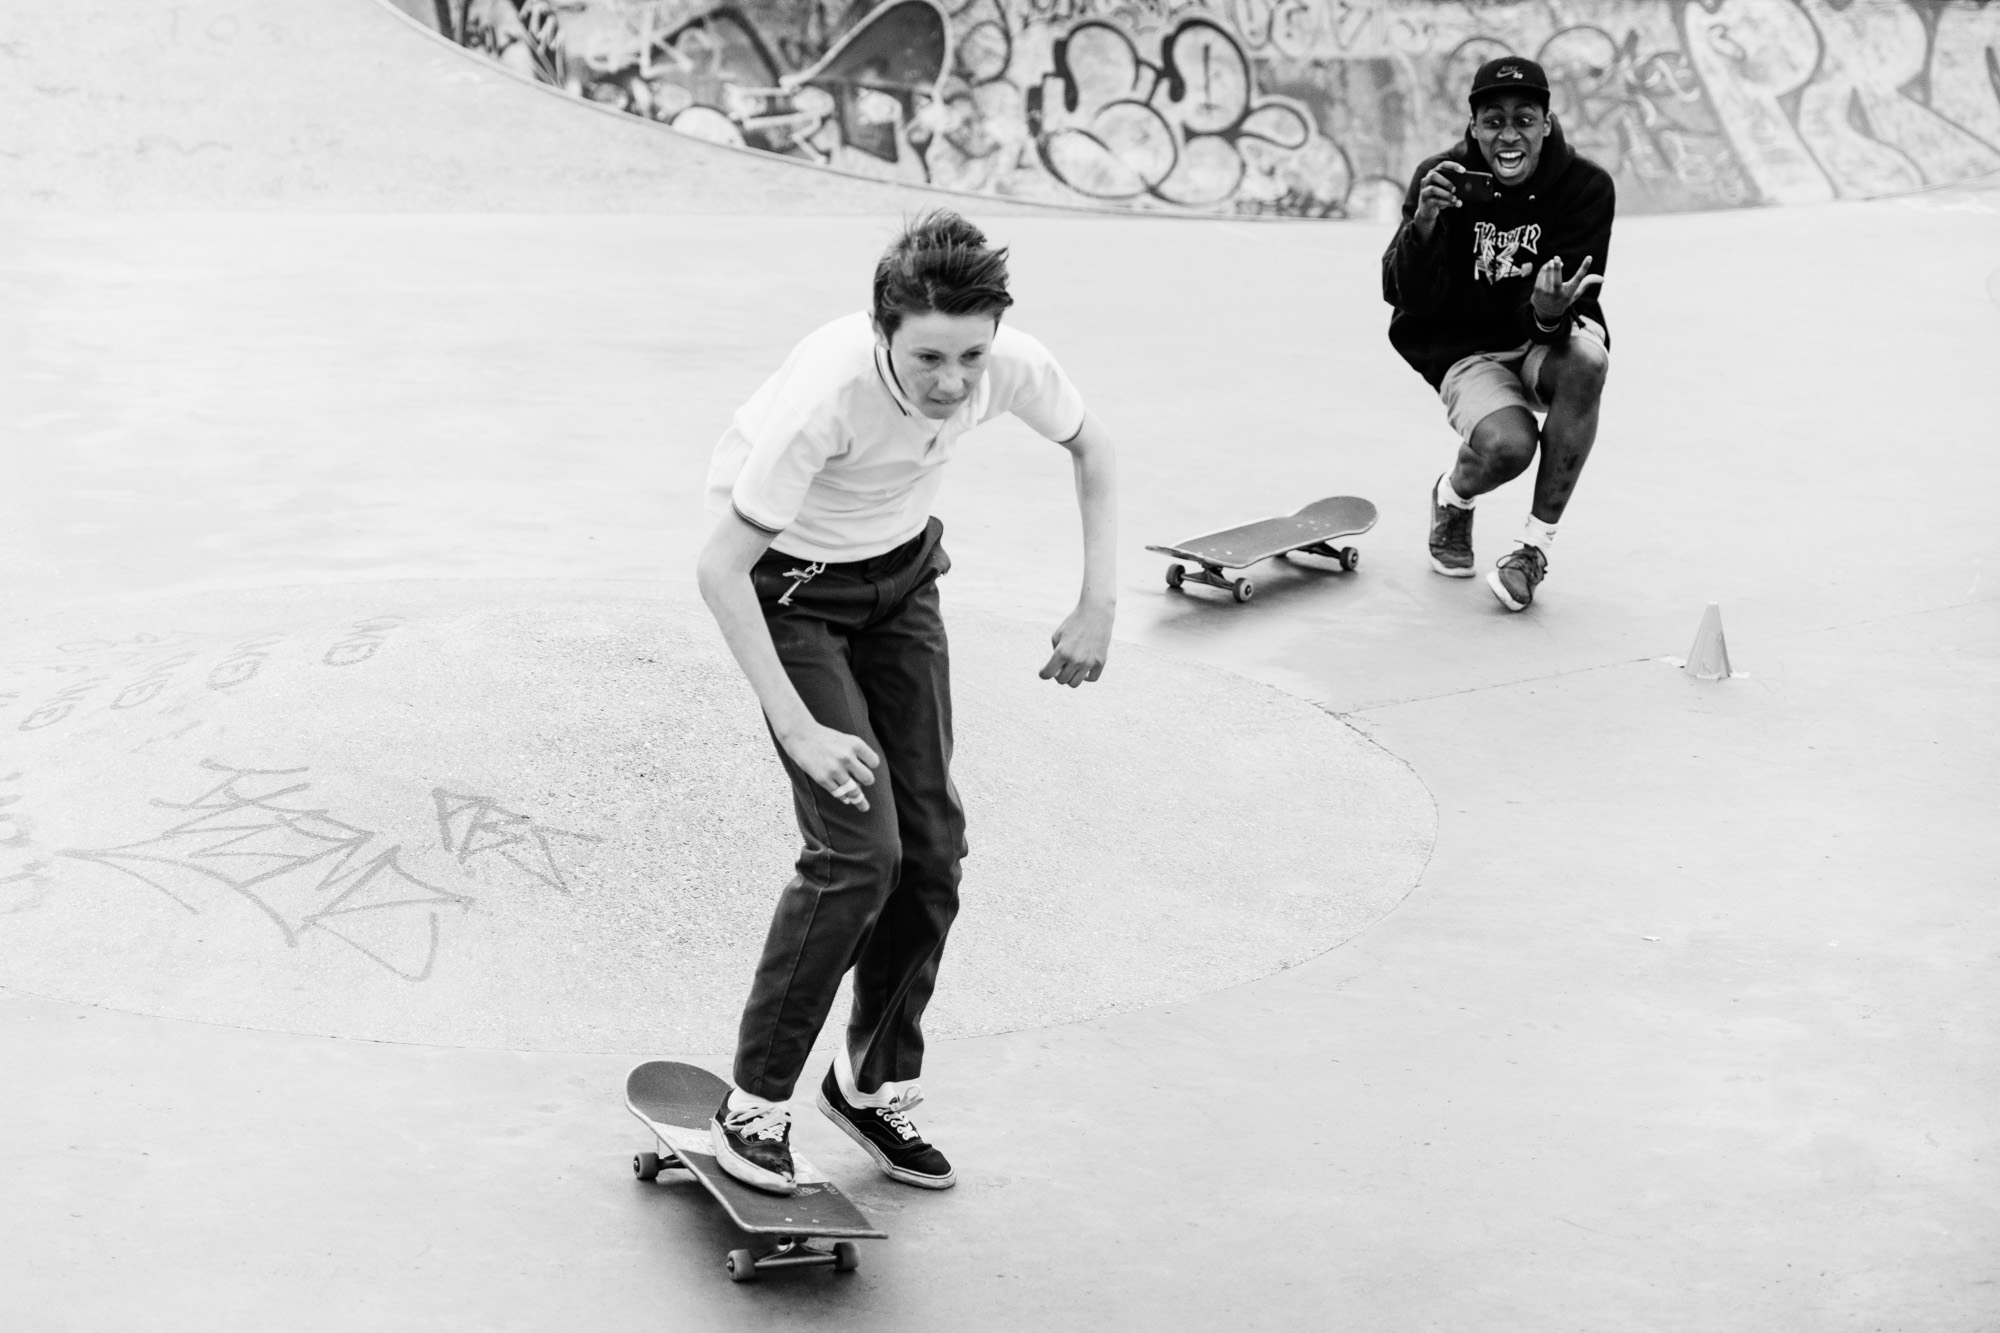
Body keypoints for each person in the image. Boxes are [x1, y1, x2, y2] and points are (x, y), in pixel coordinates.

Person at [694, 211, 1119, 1195]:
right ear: (884, 328)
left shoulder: (1006, 361)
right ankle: (752, 1106)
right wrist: (798, 729)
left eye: (969, 357)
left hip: (899, 576)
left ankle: (871, 1079)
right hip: (788, 587)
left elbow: (1094, 447)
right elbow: (720, 569)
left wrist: (1098, 600)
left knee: (931, 850)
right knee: (859, 853)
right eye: (928, 356)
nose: (950, 382)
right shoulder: (828, 394)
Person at [1382, 55, 1616, 611]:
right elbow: (1407, 298)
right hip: (1465, 344)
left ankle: (1532, 551)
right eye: (1493, 121)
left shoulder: (1585, 187)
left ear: (1546, 122)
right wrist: (1423, 227)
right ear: (1473, 127)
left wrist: (1547, 312)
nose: (1508, 136)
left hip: (1544, 338)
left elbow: (1573, 297)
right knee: (1511, 449)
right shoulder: (1442, 179)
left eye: (1524, 120)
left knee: (1589, 361)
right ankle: (1454, 496)